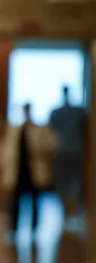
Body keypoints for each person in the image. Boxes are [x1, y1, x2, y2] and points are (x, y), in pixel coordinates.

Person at [0, 102, 55, 240]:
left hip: (32, 171)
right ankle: (13, 230)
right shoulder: (15, 129)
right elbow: (7, 149)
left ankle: (34, 230)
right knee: (15, 202)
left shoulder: (39, 129)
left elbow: (50, 145)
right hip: (19, 170)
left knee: (35, 202)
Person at [49, 85, 89, 229]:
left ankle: (70, 212)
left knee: (67, 182)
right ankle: (70, 212)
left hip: (66, 151)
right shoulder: (77, 112)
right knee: (70, 181)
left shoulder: (60, 113)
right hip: (73, 150)